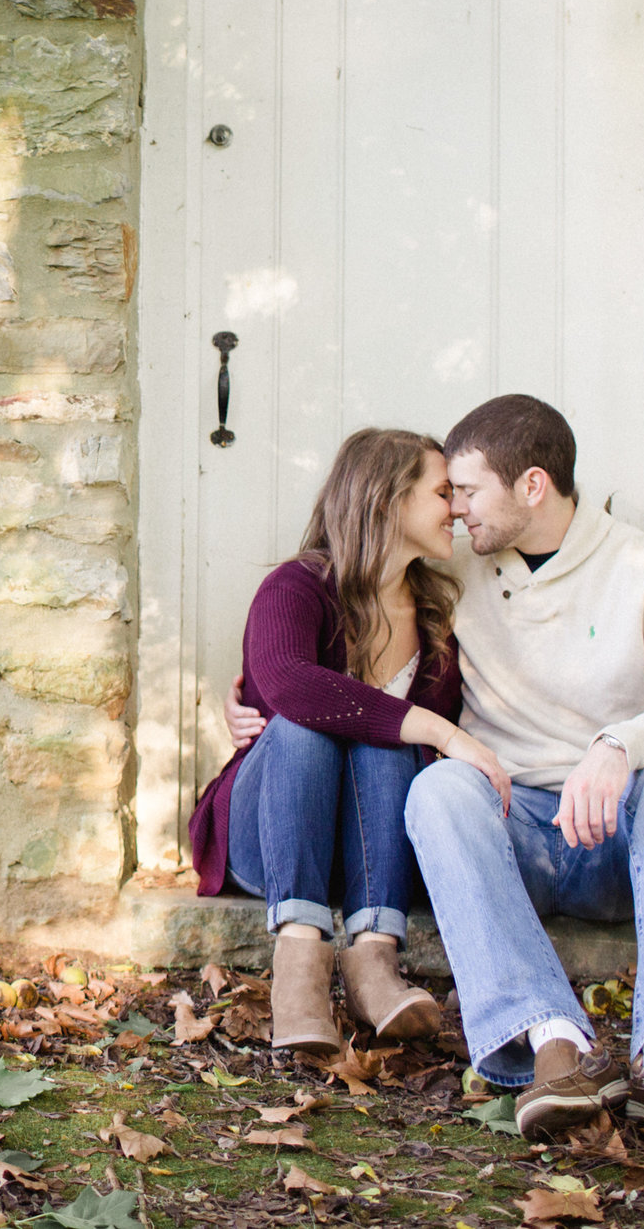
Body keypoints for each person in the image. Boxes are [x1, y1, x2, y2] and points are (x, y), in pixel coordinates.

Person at [226, 396, 644, 1140]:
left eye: (466, 490)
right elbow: (309, 666)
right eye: (446, 493)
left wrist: (619, 744)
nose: (457, 511)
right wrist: (244, 697)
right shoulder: (454, 568)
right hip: (515, 829)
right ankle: (549, 1040)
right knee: (436, 786)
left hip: (618, 835)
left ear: (532, 486)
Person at [189, 428, 514, 1054]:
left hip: (372, 857)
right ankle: (299, 971)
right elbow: (290, 686)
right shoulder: (296, 588)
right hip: (275, 840)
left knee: (388, 740)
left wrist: (416, 733)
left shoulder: (433, 621)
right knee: (311, 725)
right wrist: (441, 732)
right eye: (442, 491)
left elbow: (408, 756)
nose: (457, 508)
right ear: (387, 501)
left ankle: (373, 966)